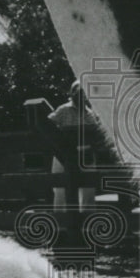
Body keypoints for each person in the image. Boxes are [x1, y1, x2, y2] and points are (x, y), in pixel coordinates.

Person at [48, 80, 97, 211]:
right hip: (62, 155)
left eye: (84, 93)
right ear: (72, 93)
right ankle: (61, 224)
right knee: (60, 190)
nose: (82, 96)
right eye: (78, 92)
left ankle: (88, 224)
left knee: (88, 191)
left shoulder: (91, 114)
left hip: (85, 155)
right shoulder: (63, 110)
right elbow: (47, 126)